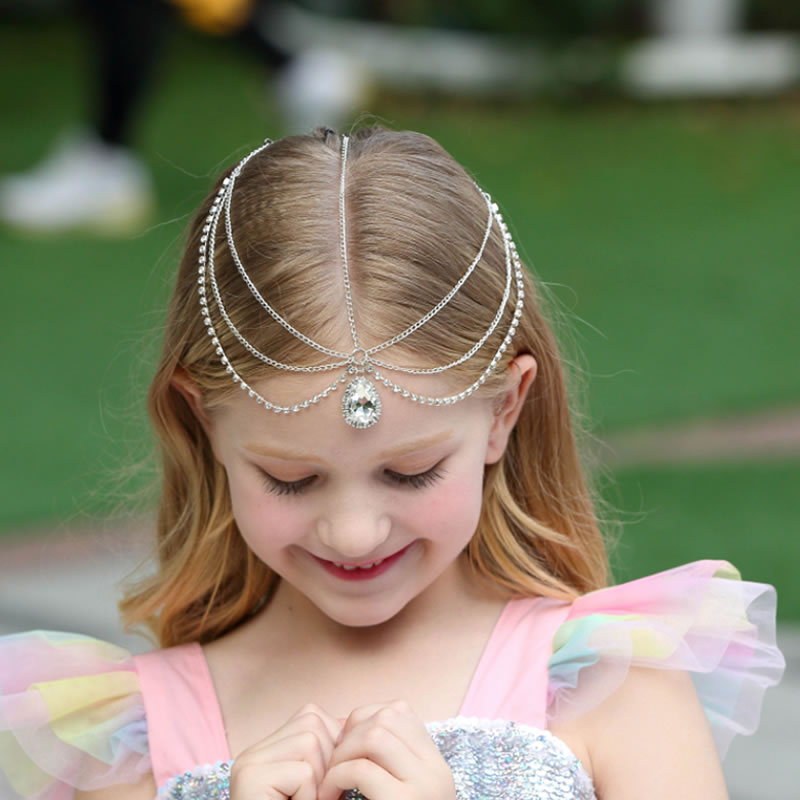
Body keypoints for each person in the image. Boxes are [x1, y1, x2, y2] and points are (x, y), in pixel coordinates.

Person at [0, 127, 785, 800]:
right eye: (293, 479)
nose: (352, 531)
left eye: (409, 473)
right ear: (201, 422)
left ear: (503, 412)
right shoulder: (125, 746)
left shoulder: (616, 689)